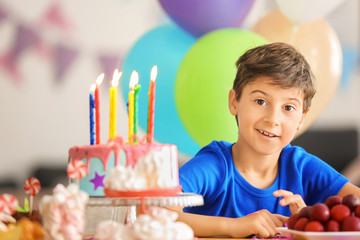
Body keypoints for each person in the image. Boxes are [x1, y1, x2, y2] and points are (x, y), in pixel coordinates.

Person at [175, 42, 360, 238]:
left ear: (302, 118)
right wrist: (234, 226)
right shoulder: (215, 166)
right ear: (234, 102)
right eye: (260, 101)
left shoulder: (301, 166)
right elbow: (153, 211)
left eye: (288, 108)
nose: (272, 119)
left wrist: (311, 221)